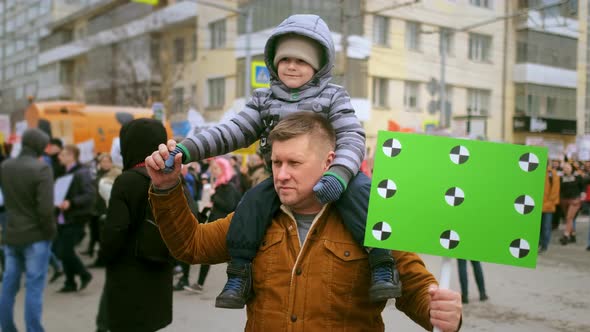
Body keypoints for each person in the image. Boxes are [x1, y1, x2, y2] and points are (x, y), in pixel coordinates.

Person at [163, 14, 400, 309]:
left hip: (337, 176)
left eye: (301, 61)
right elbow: (232, 132)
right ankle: (239, 273)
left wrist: (339, 174)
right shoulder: (263, 100)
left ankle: (381, 263)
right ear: (273, 61)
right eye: (285, 58)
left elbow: (351, 137)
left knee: (363, 195)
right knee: (251, 204)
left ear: (318, 65)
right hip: (282, 182)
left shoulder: (333, 96)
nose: (291, 65)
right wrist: (186, 150)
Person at [146, 112, 462, 331]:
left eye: (294, 163)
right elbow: (192, 246)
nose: (281, 175)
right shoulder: (254, 218)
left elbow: (416, 288)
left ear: (328, 162)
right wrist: (166, 187)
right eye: (276, 162)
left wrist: (441, 310)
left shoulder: (369, 218)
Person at [99, 118, 174, 332]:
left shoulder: (127, 181)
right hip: (160, 271)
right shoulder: (171, 179)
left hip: (128, 274)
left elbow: (115, 230)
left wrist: (104, 255)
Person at [0, 128, 56, 332]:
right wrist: (50, 232)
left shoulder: (6, 166)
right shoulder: (42, 169)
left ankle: (7, 328)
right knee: (33, 288)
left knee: (8, 286)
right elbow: (45, 209)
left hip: (12, 233)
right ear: (40, 146)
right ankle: (34, 330)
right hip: (36, 236)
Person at [184, 157, 242, 293]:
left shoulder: (226, 186)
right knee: (211, 254)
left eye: (216, 168)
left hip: (221, 226)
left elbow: (229, 205)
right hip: (217, 224)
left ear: (223, 169)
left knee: (227, 256)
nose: (213, 171)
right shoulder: (220, 185)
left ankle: (242, 282)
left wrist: (214, 196)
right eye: (213, 168)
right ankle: (200, 284)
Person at [55, 144, 95, 292]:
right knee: (64, 250)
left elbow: (89, 195)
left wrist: (71, 203)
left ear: (71, 155)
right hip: (64, 216)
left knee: (65, 250)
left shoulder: (82, 173)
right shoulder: (65, 172)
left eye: (63, 154)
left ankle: (84, 275)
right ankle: (69, 282)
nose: (59, 157)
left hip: (76, 217)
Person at [558, 162, 585, 245]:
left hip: (575, 200)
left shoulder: (577, 177)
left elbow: (582, 186)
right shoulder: (561, 178)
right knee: (568, 218)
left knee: (569, 217)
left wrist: (583, 194)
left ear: (571, 168)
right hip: (564, 200)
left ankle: (566, 236)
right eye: (565, 168)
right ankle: (573, 235)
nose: (566, 169)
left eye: (568, 168)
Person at [540, 162, 560, 253]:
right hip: (537, 206)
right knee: (538, 227)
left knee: (546, 226)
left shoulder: (552, 173)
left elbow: (555, 191)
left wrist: (549, 203)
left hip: (548, 206)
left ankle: (544, 245)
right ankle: (538, 244)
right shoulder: (537, 171)